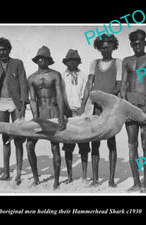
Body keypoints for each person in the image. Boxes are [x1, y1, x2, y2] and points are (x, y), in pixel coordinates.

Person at [80, 34, 122, 187]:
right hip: (96, 108)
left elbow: (119, 85)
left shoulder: (118, 62)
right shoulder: (94, 63)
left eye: (108, 46)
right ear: (99, 48)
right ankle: (96, 179)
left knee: (111, 142)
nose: (105, 49)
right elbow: (89, 83)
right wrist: (84, 104)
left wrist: (106, 98)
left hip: (110, 108)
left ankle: (111, 179)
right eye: (102, 47)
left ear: (113, 46)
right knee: (95, 142)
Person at [120, 29, 146, 193]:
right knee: (131, 144)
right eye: (134, 43)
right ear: (131, 44)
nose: (137, 46)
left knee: (145, 143)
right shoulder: (126, 61)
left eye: (140, 42)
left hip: (145, 104)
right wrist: (125, 106)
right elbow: (123, 85)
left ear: (145, 42)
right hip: (130, 105)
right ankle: (136, 183)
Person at [0, 37, 28, 185]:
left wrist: (23, 106)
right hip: (1, 104)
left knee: (18, 138)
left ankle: (18, 173)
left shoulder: (17, 63)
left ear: (9, 50)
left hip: (15, 102)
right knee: (5, 139)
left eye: (4, 49)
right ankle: (6, 171)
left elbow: (23, 84)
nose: (2, 52)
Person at [26, 46, 66, 189]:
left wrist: (61, 115)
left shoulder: (55, 75)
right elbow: (32, 99)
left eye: (45, 58)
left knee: (54, 146)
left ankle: (56, 181)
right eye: (39, 58)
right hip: (39, 113)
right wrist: (35, 117)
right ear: (37, 60)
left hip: (53, 112)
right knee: (29, 145)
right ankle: (36, 178)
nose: (42, 60)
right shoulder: (31, 78)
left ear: (49, 60)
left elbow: (60, 95)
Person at [60, 49, 90, 183]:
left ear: (78, 62)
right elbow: (61, 95)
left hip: (82, 114)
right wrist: (66, 110)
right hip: (67, 114)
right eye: (69, 61)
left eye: (75, 60)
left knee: (84, 147)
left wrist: (82, 109)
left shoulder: (84, 76)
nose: (72, 63)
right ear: (66, 62)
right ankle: (69, 176)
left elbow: (87, 94)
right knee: (68, 147)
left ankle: (84, 176)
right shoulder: (61, 76)